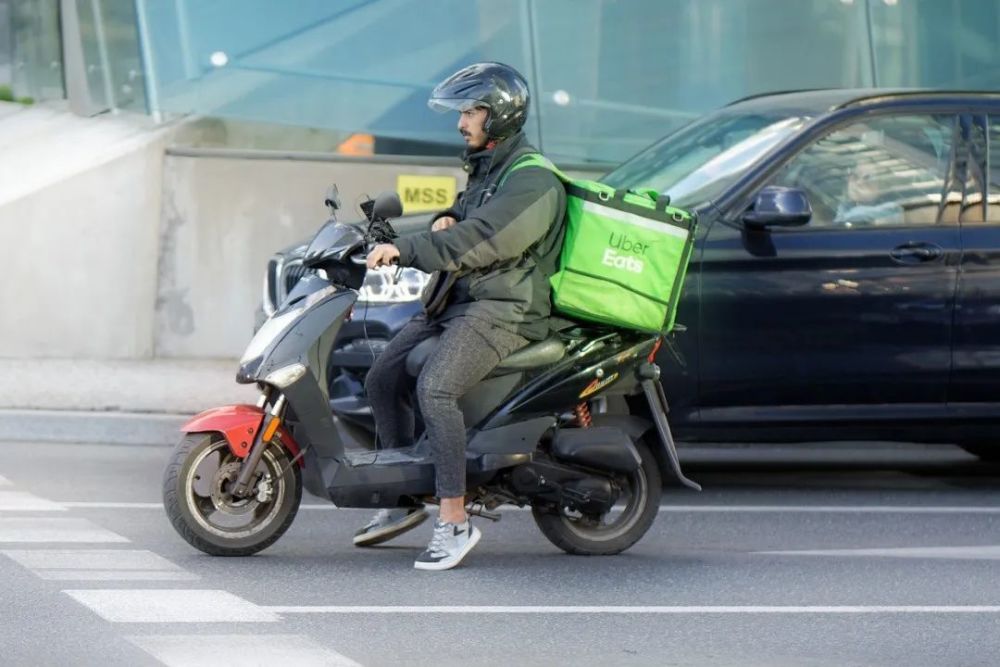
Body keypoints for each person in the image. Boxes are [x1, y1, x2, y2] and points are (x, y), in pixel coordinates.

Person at [355, 62, 566, 571]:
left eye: (471, 111)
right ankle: (401, 498)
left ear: (499, 114)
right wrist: (440, 218)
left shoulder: (534, 180)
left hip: (504, 310)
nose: (461, 123)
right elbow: (461, 222)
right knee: (381, 377)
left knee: (436, 389)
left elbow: (483, 239)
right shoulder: (488, 168)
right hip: (456, 299)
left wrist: (406, 249)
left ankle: (453, 520)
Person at [833, 160, 904, 226]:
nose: (859, 182)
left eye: (867, 178)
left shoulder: (892, 208)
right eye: (855, 176)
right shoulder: (845, 207)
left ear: (882, 185)